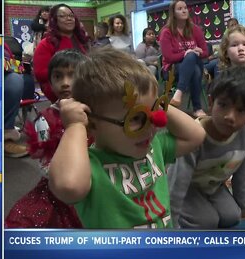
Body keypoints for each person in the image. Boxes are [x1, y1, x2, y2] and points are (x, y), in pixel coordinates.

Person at [48, 47, 206, 228]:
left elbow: (196, 135)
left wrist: (158, 105)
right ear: (92, 125)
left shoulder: (154, 146)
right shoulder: (91, 166)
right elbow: (69, 186)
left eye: (154, 112)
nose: (152, 125)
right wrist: (75, 125)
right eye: (136, 118)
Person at [167, 67, 245, 229]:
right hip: (187, 187)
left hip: (212, 186)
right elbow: (176, 184)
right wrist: (171, 226)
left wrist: (244, 208)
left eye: (240, 110)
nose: (230, 116)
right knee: (206, 221)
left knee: (232, 216)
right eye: (223, 105)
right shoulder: (194, 136)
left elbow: (244, 177)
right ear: (211, 103)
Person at [5, 49, 88, 228]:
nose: (65, 83)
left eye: (72, 76)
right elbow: (45, 164)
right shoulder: (45, 119)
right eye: (58, 77)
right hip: (63, 188)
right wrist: (68, 180)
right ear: (50, 81)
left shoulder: (94, 112)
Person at [160, 0, 208, 118]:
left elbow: (206, 52)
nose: (184, 10)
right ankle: (197, 108)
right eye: (180, 9)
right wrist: (187, 53)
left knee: (193, 59)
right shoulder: (166, 32)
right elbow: (169, 57)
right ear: (173, 13)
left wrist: (194, 52)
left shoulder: (195, 29)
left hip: (192, 64)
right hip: (172, 69)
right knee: (195, 68)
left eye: (185, 8)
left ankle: (178, 93)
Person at [33, 3, 89, 103]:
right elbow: (40, 73)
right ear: (55, 20)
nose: (69, 18)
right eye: (63, 16)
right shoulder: (45, 44)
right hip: (61, 89)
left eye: (71, 16)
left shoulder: (82, 41)